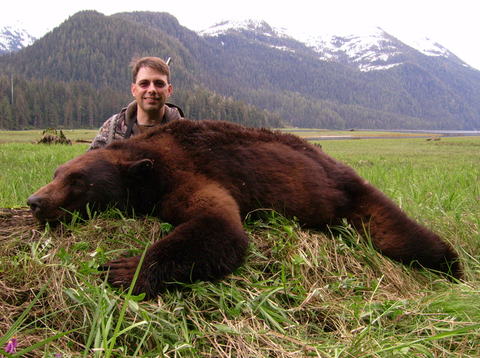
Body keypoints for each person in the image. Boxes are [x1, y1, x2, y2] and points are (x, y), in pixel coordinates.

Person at [87, 57, 184, 151]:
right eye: (144, 84)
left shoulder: (184, 133)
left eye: (159, 84)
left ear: (169, 90)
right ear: (134, 90)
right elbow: (87, 164)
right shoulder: (111, 130)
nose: (152, 90)